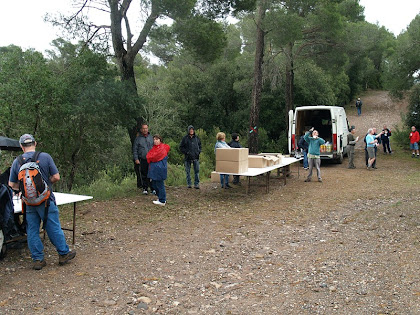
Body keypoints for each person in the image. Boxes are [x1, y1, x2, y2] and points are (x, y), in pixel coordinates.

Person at [8, 134, 76, 270]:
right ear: (35, 143)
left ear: (22, 147)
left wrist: (24, 189)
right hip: (46, 200)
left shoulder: (17, 162)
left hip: (29, 202)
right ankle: (63, 253)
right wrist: (45, 184)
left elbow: (11, 184)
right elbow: (56, 177)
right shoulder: (45, 157)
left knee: (32, 230)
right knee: (53, 226)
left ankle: (38, 259)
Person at [146, 135, 170, 206]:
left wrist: (151, 158)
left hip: (160, 169)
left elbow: (154, 157)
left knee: (160, 184)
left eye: (157, 139)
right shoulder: (154, 148)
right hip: (154, 169)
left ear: (160, 140)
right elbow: (149, 156)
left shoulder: (162, 148)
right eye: (154, 139)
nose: (155, 141)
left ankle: (162, 200)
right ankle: (160, 198)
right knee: (154, 184)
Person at [133, 123, 154, 195]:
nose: (145, 130)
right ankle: (145, 188)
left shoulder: (151, 137)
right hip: (143, 159)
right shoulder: (138, 139)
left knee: (151, 174)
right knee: (143, 174)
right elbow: (135, 149)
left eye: (146, 128)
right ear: (141, 130)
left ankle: (153, 188)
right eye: (143, 128)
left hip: (151, 159)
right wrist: (136, 158)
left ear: (148, 129)